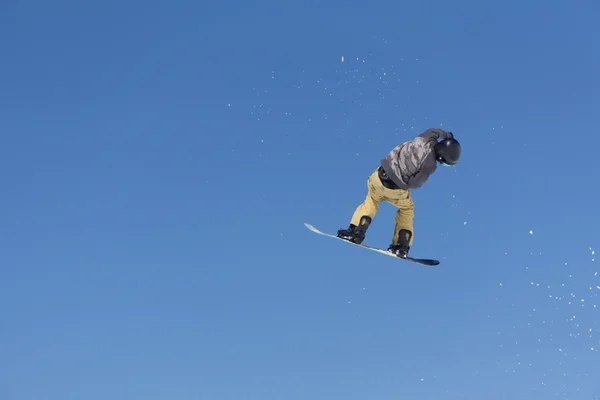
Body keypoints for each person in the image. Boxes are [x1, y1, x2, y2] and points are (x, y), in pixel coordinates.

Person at [337, 128, 461, 258]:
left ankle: (356, 230)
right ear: (441, 157)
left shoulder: (425, 137)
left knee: (371, 200)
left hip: (378, 177)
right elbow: (415, 184)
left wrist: (448, 136)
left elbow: (434, 131)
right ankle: (401, 245)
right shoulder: (430, 165)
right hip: (395, 189)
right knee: (407, 209)